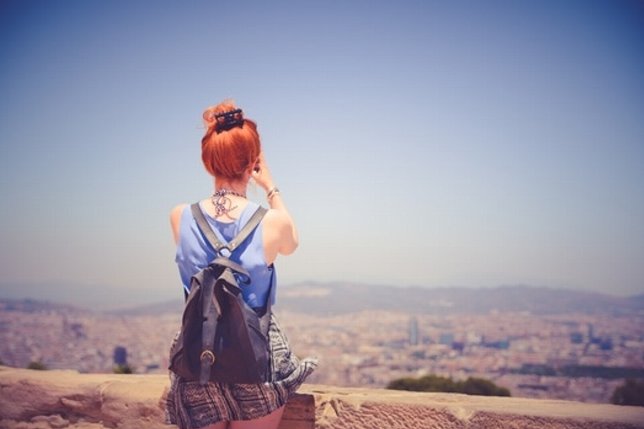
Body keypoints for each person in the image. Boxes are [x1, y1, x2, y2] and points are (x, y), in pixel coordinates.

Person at [165, 101, 317, 429]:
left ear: (208, 163)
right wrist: (271, 188)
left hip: (197, 358)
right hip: (257, 361)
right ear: (253, 163)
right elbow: (292, 243)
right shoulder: (272, 222)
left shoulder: (180, 216)